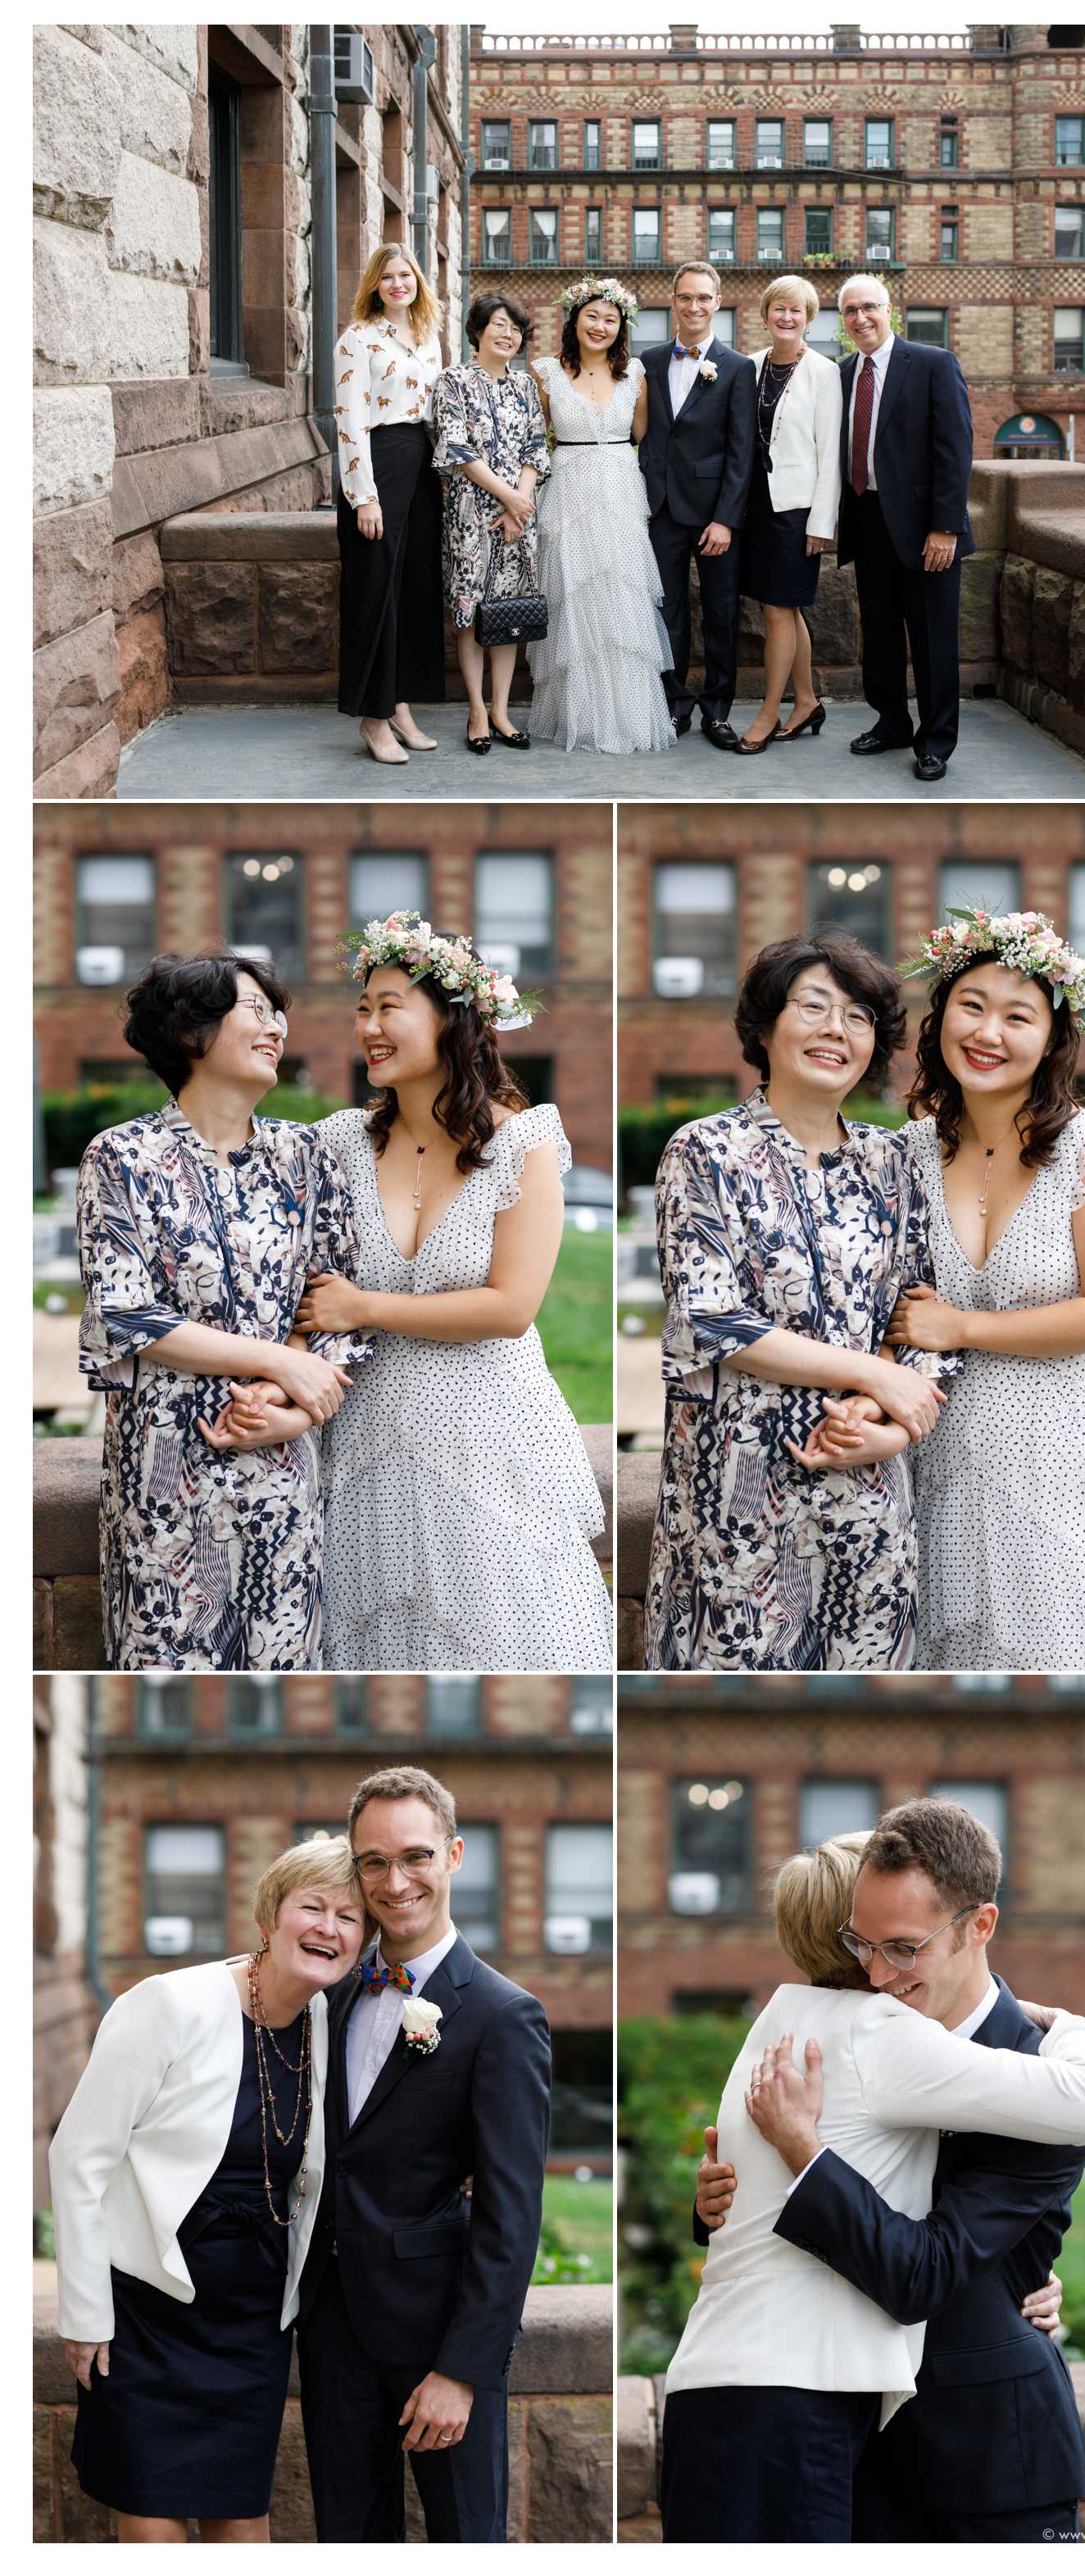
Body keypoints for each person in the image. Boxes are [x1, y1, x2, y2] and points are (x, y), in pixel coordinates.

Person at [665, 1805, 1085, 2543]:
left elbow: (937, 2263)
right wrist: (724, 2194)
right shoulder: (847, 2033)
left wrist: (803, 2157)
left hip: (987, 2458)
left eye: (904, 1948)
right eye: (864, 1944)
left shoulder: (1045, 2077)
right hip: (857, 2444)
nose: (879, 1974)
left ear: (978, 1928)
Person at [224, 911, 611, 1672]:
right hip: (366, 1432)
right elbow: (304, 1282)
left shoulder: (522, 1145)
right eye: (362, 1007)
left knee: (502, 1635)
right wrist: (282, 1385)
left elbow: (511, 1307)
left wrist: (365, 1306)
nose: (368, 1024)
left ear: (451, 1018)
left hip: (489, 1430)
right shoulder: (336, 1140)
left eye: (389, 1005)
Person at [877, 908, 1085, 1671]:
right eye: (972, 1006)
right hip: (949, 1453)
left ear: (1052, 1038)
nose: (989, 1033)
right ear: (941, 1015)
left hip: (1077, 1450)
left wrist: (958, 1327)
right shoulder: (907, 1153)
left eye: (1018, 1016)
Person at [642, 932, 960, 1673]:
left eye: (856, 1018)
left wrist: (888, 1424)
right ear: (765, 1026)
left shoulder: (897, 1161)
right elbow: (713, 1318)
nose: (834, 1031)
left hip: (870, 1488)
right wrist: (872, 1375)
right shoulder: (703, 1151)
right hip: (738, 1491)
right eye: (812, 1007)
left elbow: (925, 1311)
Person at [51, 1837, 366, 2543]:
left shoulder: (327, 2019)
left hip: (253, 2315)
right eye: (311, 1907)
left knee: (241, 2515)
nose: (329, 1928)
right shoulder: (169, 2003)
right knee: (150, 2510)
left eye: (350, 1918)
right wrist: (84, 2312)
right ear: (268, 1917)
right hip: (144, 2306)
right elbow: (77, 2157)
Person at [75, 952, 371, 1672]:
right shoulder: (120, 1159)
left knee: (285, 1667)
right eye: (256, 1010)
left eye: (279, 1013)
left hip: (283, 1472)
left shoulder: (305, 1157)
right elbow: (127, 1316)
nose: (277, 1027)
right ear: (191, 1033)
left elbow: (336, 1304)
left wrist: (292, 1406)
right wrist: (276, 1360)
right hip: (166, 1482)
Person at [295, 1766, 552, 2543]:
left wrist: (462, 2371)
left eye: (415, 1856)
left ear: (455, 1856)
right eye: (373, 1861)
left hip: (442, 2343)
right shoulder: (330, 1994)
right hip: (333, 2333)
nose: (394, 1880)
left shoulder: (506, 2017)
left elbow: (512, 2216)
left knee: (465, 2538)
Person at [835, 272, 974, 782]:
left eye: (869, 307)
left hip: (925, 528)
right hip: (867, 518)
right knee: (880, 633)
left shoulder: (933, 364)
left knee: (934, 638)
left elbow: (955, 451)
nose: (860, 318)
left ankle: (935, 741)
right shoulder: (845, 371)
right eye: (850, 311)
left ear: (889, 309)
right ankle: (891, 721)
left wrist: (945, 527)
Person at [529, 277, 676, 754]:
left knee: (621, 601)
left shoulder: (634, 374)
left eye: (610, 320)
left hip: (619, 493)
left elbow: (641, 434)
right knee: (572, 600)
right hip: (568, 493)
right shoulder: (546, 372)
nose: (600, 326)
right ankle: (579, 714)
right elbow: (536, 439)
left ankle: (630, 715)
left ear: (622, 327)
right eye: (592, 316)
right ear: (575, 320)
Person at [638, 263, 756, 748]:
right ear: (674, 301)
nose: (694, 306)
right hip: (661, 508)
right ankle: (674, 705)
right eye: (685, 297)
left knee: (721, 613)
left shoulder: (737, 367)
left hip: (714, 516)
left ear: (717, 302)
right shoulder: (649, 361)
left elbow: (741, 450)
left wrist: (726, 519)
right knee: (665, 614)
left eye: (703, 298)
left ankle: (718, 710)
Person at [335, 243, 444, 764]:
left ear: (418, 281)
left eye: (406, 275)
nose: (398, 284)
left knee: (411, 591)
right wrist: (364, 497)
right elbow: (349, 418)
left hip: (420, 466)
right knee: (376, 589)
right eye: (388, 277)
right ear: (375, 286)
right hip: (378, 463)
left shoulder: (427, 337)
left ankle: (399, 706)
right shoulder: (358, 338)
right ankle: (372, 720)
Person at [433, 291, 551, 755]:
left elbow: (537, 447)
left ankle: (501, 710)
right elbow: (457, 449)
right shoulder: (454, 380)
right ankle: (477, 709)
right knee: (473, 611)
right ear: (478, 330)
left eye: (516, 329)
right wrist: (508, 498)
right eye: (499, 325)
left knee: (510, 613)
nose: (508, 335)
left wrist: (521, 503)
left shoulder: (525, 387)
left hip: (520, 514)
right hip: (470, 515)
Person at [737, 274, 842, 754]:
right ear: (765, 315)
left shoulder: (824, 373)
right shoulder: (750, 365)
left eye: (796, 310)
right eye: (778, 308)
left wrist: (822, 524)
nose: (786, 317)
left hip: (797, 511)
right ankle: (806, 700)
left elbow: (830, 454)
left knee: (779, 610)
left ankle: (768, 709)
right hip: (756, 507)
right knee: (781, 607)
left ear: (808, 318)